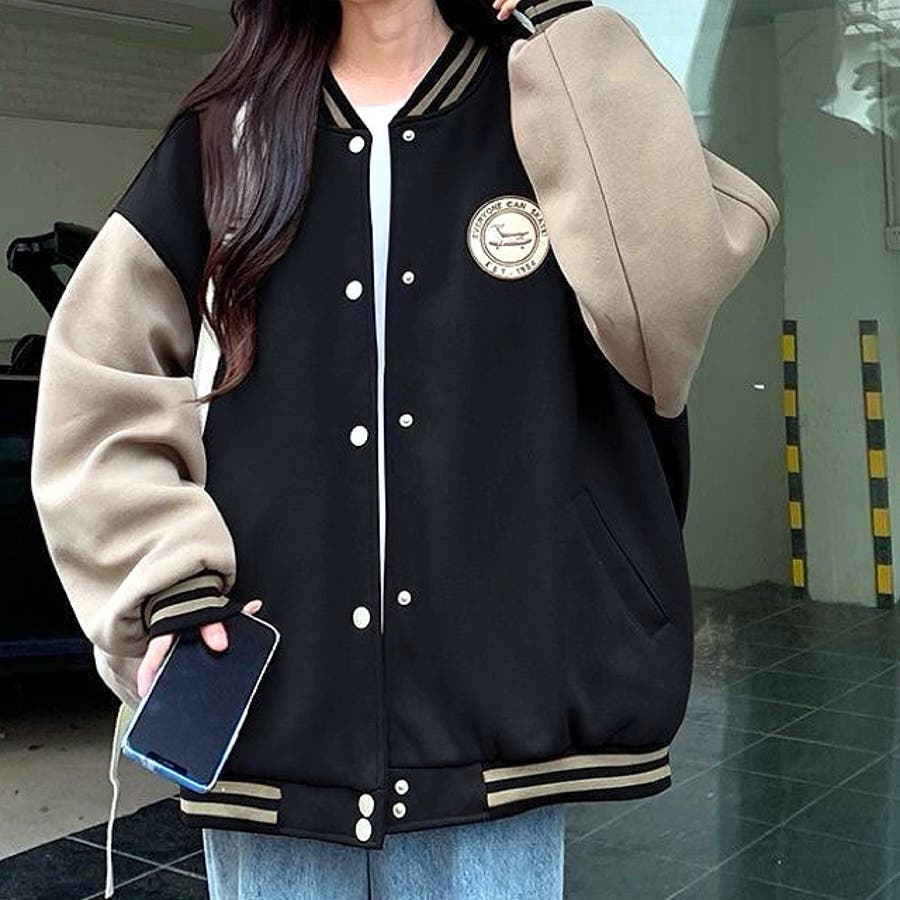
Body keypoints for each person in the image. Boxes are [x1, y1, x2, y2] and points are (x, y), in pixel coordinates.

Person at [30, 0, 779, 896]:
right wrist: (164, 580)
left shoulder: (553, 98)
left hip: (498, 703)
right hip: (276, 708)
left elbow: (667, 310)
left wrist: (561, 25)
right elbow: (97, 378)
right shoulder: (228, 134)